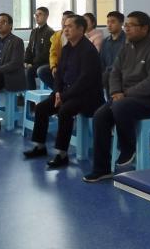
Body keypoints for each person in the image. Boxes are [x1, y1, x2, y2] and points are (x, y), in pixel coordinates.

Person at [82, 11, 150, 183]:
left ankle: (128, 148)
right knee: (100, 115)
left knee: (120, 106)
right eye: (126, 25)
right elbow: (115, 72)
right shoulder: (127, 46)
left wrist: (125, 94)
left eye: (131, 25)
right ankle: (102, 169)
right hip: (124, 97)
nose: (126, 29)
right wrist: (116, 92)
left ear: (144, 28)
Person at [23, 15, 104, 168]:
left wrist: (63, 96)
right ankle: (40, 146)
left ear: (81, 29)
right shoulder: (67, 48)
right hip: (66, 93)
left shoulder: (88, 50)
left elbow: (85, 80)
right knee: (41, 108)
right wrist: (57, 92)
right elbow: (59, 74)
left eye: (70, 26)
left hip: (87, 96)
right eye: (65, 26)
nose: (65, 30)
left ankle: (62, 154)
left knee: (64, 111)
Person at [37, 10, 75, 90]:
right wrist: (53, 66)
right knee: (41, 71)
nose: (63, 22)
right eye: (62, 19)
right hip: (59, 65)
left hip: (72, 66)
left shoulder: (77, 36)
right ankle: (58, 90)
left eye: (66, 20)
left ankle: (64, 90)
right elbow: (52, 53)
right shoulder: (57, 35)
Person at [23, 6, 54, 90]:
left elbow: (46, 53)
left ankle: (31, 94)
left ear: (46, 16)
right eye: (35, 15)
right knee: (20, 68)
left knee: (29, 71)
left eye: (40, 14)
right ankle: (22, 93)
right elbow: (29, 48)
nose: (37, 17)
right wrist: (26, 61)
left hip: (44, 63)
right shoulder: (34, 31)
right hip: (34, 63)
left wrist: (32, 63)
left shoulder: (50, 32)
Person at [99, 10, 126, 95]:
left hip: (121, 80)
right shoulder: (105, 42)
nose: (109, 25)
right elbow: (101, 62)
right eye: (108, 22)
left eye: (113, 22)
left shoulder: (127, 41)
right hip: (107, 79)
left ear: (121, 23)